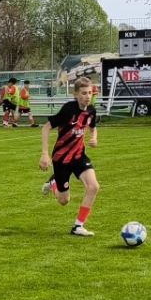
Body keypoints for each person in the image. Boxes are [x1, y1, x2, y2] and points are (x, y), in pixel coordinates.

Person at [39, 76, 102, 236]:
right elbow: (46, 128)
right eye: (84, 93)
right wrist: (45, 154)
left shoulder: (91, 111)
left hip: (79, 156)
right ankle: (53, 182)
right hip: (62, 159)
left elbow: (93, 127)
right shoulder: (68, 110)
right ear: (76, 95)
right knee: (64, 201)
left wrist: (94, 138)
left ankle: (78, 226)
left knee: (93, 187)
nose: (87, 96)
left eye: (90, 93)